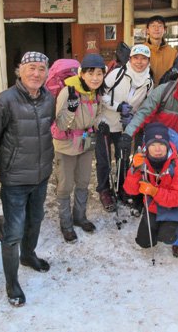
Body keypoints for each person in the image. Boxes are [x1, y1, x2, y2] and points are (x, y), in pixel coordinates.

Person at [0, 51, 55, 307]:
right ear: (20, 71)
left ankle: (29, 255)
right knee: (13, 232)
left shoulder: (49, 99)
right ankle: (12, 282)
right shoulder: (3, 102)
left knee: (35, 220)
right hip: (15, 179)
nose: (36, 74)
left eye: (41, 69)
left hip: (41, 174)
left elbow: (49, 128)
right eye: (31, 68)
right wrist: (5, 165)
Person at [120, 66, 178, 217]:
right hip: (153, 136)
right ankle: (138, 199)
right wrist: (128, 134)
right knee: (140, 164)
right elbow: (144, 113)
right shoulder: (163, 91)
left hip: (177, 139)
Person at [53, 53, 105, 243]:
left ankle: (80, 217)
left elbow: (97, 114)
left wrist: (100, 123)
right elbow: (59, 124)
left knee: (83, 182)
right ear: (82, 73)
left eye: (99, 74)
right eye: (90, 73)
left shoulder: (96, 92)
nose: (95, 78)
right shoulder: (68, 91)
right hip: (66, 143)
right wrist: (71, 109)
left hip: (87, 139)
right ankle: (66, 224)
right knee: (65, 186)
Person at [96, 44, 154, 211]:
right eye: (136, 58)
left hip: (126, 127)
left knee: (123, 158)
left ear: (148, 61)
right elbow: (101, 94)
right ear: (130, 59)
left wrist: (134, 118)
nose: (139, 62)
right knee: (104, 161)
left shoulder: (149, 82)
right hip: (105, 123)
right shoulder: (118, 73)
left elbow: (146, 106)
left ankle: (122, 187)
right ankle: (105, 190)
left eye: (144, 58)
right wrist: (118, 106)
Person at [123, 123, 178, 256]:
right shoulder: (142, 161)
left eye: (161, 144)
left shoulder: (177, 166)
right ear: (147, 147)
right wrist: (134, 170)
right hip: (153, 206)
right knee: (144, 242)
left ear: (167, 145)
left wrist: (154, 191)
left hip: (174, 207)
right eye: (153, 145)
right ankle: (161, 228)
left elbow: (177, 198)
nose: (157, 149)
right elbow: (130, 190)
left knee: (166, 237)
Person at [144, 15, 178, 85]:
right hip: (144, 92)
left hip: (166, 93)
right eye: (153, 26)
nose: (156, 29)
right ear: (147, 30)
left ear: (164, 30)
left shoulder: (173, 52)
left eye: (160, 26)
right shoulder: (141, 50)